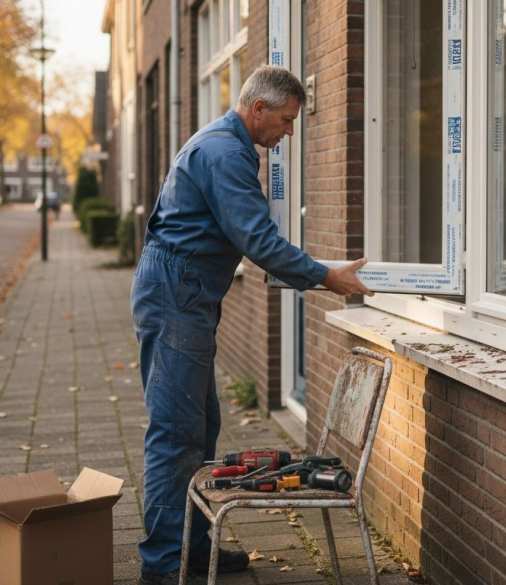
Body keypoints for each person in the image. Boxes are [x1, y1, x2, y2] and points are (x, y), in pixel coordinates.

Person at [130, 65, 372, 585]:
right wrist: (326, 276)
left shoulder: (226, 145)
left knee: (201, 425)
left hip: (184, 290)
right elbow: (257, 240)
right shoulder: (225, 154)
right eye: (286, 121)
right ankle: (164, 564)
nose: (288, 132)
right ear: (258, 108)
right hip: (177, 292)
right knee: (176, 431)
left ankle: (193, 547)